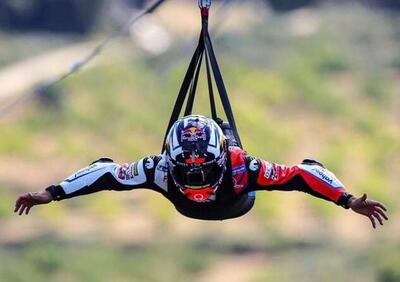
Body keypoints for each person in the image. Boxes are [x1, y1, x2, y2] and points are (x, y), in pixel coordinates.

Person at [15, 115, 388, 227]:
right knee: (107, 168)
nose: (195, 179)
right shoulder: (160, 168)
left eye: (201, 171)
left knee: (310, 167)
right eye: (187, 172)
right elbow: (105, 174)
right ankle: (221, 129)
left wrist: (347, 199)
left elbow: (301, 176)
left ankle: (224, 130)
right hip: (189, 208)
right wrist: (53, 192)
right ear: (172, 161)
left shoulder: (243, 167)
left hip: (236, 201)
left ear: (221, 160)